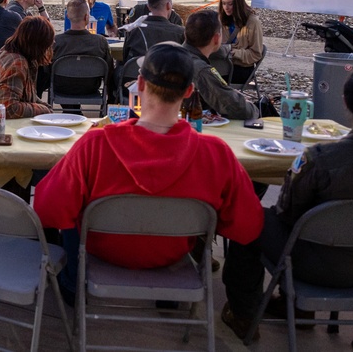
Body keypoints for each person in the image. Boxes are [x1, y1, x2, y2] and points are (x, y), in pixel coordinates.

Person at [221, 61, 353, 340]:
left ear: (347, 102)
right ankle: (298, 311)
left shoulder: (322, 159)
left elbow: (287, 213)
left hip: (315, 268)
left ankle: (243, 313)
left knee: (248, 219)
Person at [34, 42, 263, 304]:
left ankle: (73, 288)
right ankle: (170, 297)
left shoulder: (94, 145)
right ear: (189, 91)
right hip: (172, 255)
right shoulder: (217, 154)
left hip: (102, 252)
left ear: (140, 84)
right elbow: (248, 226)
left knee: (73, 204)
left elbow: (47, 208)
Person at [182, 10, 259, 120]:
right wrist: (254, 109)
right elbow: (237, 108)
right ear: (217, 38)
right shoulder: (201, 71)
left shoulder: (173, 53)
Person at [0, 16, 54, 119]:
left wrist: (42, 105)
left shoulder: (8, 51)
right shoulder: (17, 64)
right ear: (38, 45)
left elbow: (25, 94)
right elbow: (8, 108)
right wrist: (42, 110)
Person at [46, 0, 115, 100]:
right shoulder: (100, 42)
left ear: (67, 16)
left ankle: (71, 109)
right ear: (87, 17)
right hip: (90, 87)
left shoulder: (56, 42)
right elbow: (109, 71)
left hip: (62, 87)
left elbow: (47, 69)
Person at [211, 0, 263, 83]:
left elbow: (256, 54)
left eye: (230, 4)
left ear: (238, 4)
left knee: (210, 78)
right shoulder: (221, 19)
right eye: (224, 3)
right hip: (223, 63)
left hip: (242, 68)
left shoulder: (253, 22)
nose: (226, 7)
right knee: (201, 72)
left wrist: (235, 53)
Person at [120, 0, 185, 64]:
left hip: (136, 73)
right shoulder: (180, 32)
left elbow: (125, 58)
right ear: (168, 5)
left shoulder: (133, 30)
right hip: (168, 73)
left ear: (148, 6)